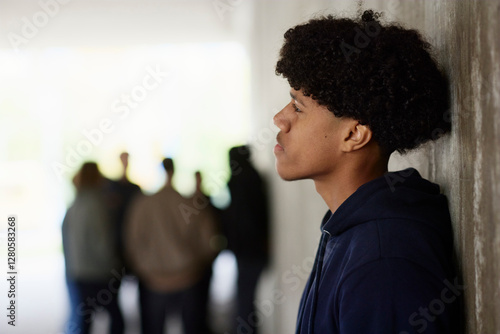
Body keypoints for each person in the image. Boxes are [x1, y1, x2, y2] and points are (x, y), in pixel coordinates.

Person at [273, 10, 459, 334]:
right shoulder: (348, 229)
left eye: (298, 107)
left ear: (354, 134)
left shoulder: (385, 261)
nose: (279, 118)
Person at [125, 158, 218, 334]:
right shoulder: (192, 204)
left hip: (154, 280)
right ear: (174, 171)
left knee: (153, 328)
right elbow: (209, 242)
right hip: (188, 277)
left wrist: (142, 267)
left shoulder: (143, 204)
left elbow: (132, 241)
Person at [62, 162, 124, 334]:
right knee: (115, 319)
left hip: (77, 273)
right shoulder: (98, 205)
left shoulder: (74, 205)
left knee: (81, 321)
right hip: (97, 274)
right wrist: (116, 267)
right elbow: (103, 244)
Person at [222, 145, 270, 334]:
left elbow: (244, 220)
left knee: (244, 296)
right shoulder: (251, 179)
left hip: (248, 251)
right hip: (253, 250)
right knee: (245, 296)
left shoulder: (240, 182)